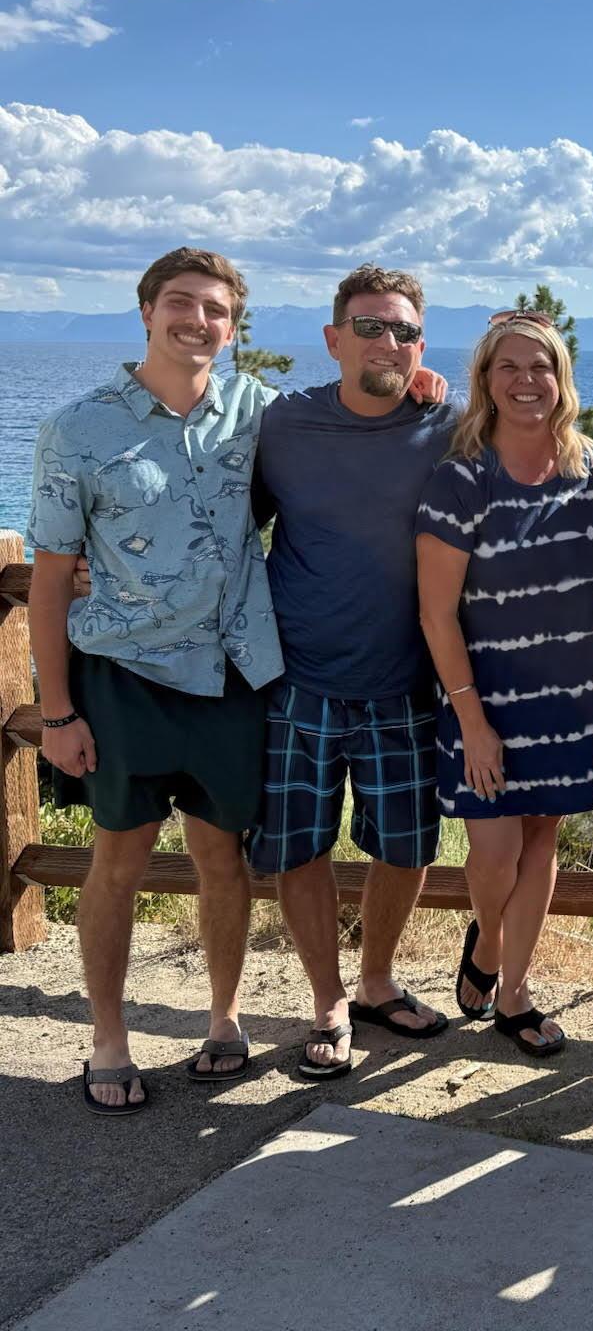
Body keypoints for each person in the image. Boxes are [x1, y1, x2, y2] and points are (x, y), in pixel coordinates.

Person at [28, 247, 282, 1112]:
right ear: (146, 311)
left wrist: (424, 390)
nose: (197, 321)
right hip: (123, 677)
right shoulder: (77, 429)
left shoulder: (260, 413)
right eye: (181, 302)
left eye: (216, 310)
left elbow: (349, 432)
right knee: (116, 864)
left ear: (232, 328)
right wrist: (56, 711)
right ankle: (108, 1037)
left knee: (223, 861)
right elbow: (50, 580)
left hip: (231, 678)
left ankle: (224, 1019)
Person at [247, 265, 456, 1079]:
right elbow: (227, 522)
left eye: (404, 330)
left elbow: (539, 443)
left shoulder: (447, 422)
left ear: (421, 347)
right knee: (299, 848)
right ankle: (327, 999)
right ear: (333, 339)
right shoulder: (283, 424)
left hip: (406, 680)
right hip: (298, 678)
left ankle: (376, 981)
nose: (387, 341)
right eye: (369, 326)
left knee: (405, 847)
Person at [416, 311, 593, 1056]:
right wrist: (473, 723)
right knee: (495, 853)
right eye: (510, 367)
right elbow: (436, 614)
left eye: (541, 367)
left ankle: (515, 993)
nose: (527, 381)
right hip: (483, 697)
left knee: (540, 842)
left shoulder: (588, 466)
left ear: (562, 378)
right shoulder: (461, 478)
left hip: (568, 696)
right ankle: (490, 943)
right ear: (486, 381)